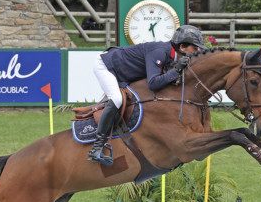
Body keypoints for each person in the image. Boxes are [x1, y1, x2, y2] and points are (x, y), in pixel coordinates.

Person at [88, 24, 207, 165]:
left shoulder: (172, 55)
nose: (198, 51)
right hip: (106, 66)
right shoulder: (160, 52)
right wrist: (176, 71)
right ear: (182, 47)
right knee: (117, 99)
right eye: (195, 48)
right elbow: (153, 83)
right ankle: (97, 147)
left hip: (124, 70)